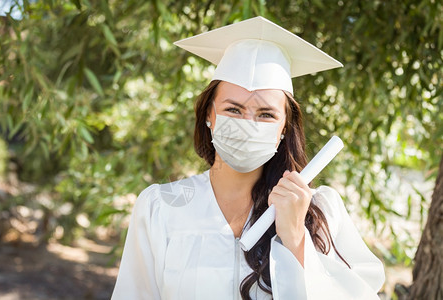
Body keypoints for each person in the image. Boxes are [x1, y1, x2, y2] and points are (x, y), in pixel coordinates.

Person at [111, 16, 385, 300]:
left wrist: (295, 238)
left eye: (266, 114)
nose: (248, 124)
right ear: (209, 114)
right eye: (233, 110)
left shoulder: (320, 211)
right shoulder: (161, 208)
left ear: (284, 128)